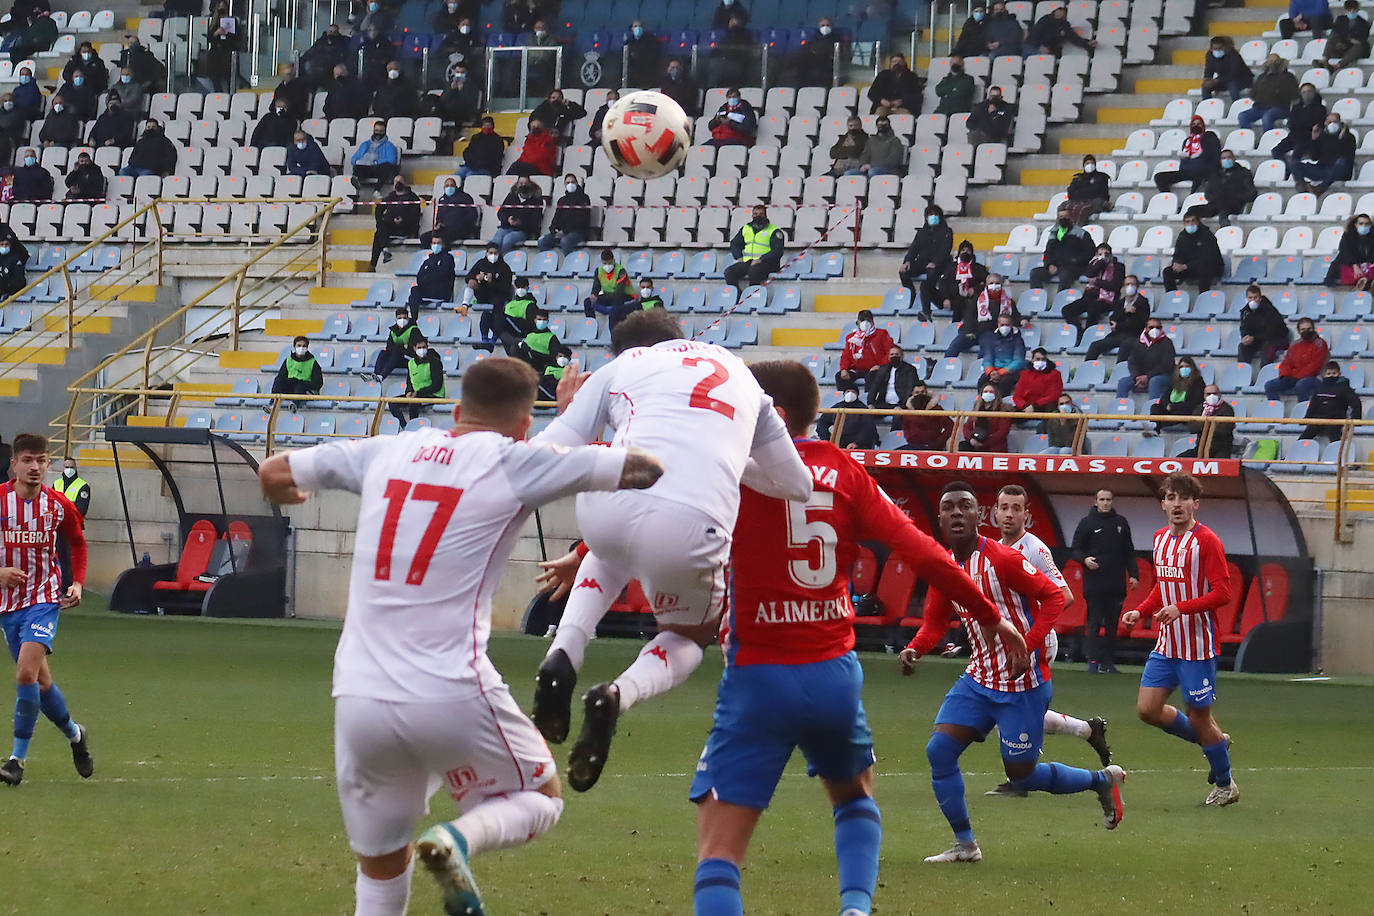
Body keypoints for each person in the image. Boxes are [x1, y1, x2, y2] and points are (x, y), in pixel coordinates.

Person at [256, 357, 664, 916]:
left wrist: (292, 496)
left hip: (359, 695)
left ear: (455, 409)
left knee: (379, 864)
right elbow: (645, 469)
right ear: (524, 424)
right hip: (450, 686)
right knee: (540, 798)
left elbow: (273, 473)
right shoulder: (518, 460)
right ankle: (457, 841)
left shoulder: (387, 449)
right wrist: (577, 422)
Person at [673, 360, 1018, 916]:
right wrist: (988, 613)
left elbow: (651, 518)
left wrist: (585, 554)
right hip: (833, 674)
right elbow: (922, 551)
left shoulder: (730, 469)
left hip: (758, 676)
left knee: (719, 847)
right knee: (855, 797)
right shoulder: (844, 471)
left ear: (768, 413)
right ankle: (856, 909)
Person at [529, 309, 813, 793]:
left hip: (607, 503)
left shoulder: (625, 366)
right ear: (680, 337)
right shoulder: (743, 377)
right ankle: (617, 695)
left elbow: (548, 450)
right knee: (686, 636)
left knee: (606, 546)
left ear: (627, 349)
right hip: (692, 521)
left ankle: (563, 652)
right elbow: (797, 484)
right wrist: (725, 455)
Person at [900, 482, 1126, 863]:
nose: (957, 513)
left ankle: (1101, 781)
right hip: (978, 679)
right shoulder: (942, 565)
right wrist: (915, 648)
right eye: (949, 508)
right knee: (939, 751)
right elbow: (935, 622)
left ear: (978, 517)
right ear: (939, 518)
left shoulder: (1002, 559)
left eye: (965, 507)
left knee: (1021, 774)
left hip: (1023, 685)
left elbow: (1056, 596)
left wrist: (1030, 642)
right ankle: (965, 845)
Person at [985, 484, 1112, 796]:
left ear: (1028, 515)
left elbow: (1064, 596)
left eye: (1017, 508)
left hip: (1035, 641)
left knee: (1012, 710)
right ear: (995, 513)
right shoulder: (996, 548)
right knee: (1018, 712)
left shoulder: (1035, 549)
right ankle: (1086, 730)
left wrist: (1031, 624)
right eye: (1004, 507)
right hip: (1011, 644)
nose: (1010, 514)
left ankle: (1021, 778)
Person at [1120, 472, 1237, 807]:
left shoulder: (1206, 541)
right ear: (1163, 504)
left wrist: (1180, 608)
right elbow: (1162, 586)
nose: (1177, 504)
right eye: (1171, 498)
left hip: (1197, 647)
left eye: (1183, 498)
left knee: (1199, 716)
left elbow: (1223, 592)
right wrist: (1140, 611)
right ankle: (1214, 741)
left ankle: (1226, 785)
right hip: (1167, 644)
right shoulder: (1160, 539)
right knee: (1147, 709)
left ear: (1195, 504)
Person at [0, 433, 94, 787]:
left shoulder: (57, 505)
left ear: (48, 464)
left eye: (41, 461)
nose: (35, 467)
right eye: (28, 460)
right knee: (40, 682)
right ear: (14, 464)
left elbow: (78, 543)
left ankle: (16, 761)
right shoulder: (0, 501)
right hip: (7, 604)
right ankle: (75, 735)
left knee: (25, 674)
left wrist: (78, 583)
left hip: (43, 598)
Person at [1069, 489, 1138, 673]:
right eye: (1102, 499)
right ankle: (1092, 661)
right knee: (1094, 621)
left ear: (1112, 501)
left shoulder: (1120, 523)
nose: (1105, 503)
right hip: (1095, 582)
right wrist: (1084, 560)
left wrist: (1134, 574)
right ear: (1096, 501)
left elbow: (1128, 551)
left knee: (1112, 624)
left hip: (1116, 582)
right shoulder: (1087, 523)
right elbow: (1075, 549)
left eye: (1108, 499)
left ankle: (1108, 662)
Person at [946, 274, 1020, 358]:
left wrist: (1021, 320)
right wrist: (970, 331)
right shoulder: (977, 299)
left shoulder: (1009, 302)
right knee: (955, 344)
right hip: (974, 331)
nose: (994, 285)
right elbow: (969, 315)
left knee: (986, 350)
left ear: (1001, 285)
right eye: (991, 283)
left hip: (991, 333)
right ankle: (944, 365)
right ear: (986, 285)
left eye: (997, 283)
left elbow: (1014, 316)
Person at [1061, 243, 1124, 341]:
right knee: (1066, 310)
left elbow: (1115, 286)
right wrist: (1101, 262)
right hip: (1089, 298)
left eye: (1106, 254)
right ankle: (1079, 330)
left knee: (1093, 308)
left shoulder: (1118, 267)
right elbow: (1090, 274)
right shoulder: (1093, 263)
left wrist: (1098, 282)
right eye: (1100, 254)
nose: (1103, 256)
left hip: (1107, 300)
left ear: (1111, 255)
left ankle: (1087, 335)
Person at [898, 204, 953, 310]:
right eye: (930, 215)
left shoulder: (947, 231)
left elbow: (945, 250)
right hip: (922, 262)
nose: (933, 217)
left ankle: (927, 307)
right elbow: (914, 248)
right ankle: (911, 294)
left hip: (939, 264)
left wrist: (935, 262)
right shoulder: (921, 232)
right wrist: (907, 261)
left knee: (930, 277)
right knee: (903, 272)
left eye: (935, 214)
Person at [1028, 204, 1093, 291]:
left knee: (1065, 275)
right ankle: (1038, 298)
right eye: (1061, 217)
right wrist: (1049, 264)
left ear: (1070, 217)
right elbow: (1047, 252)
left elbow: (1090, 252)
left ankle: (1060, 300)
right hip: (1056, 266)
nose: (1063, 219)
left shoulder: (1081, 233)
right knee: (1035, 273)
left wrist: (1075, 260)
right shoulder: (1054, 233)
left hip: (1073, 267)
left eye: (1066, 216)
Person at [461, 243, 515, 347]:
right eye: (490, 253)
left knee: (493, 312)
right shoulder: (481, 263)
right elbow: (468, 277)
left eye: (495, 253)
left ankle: (493, 339)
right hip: (483, 294)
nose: (493, 255)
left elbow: (505, 288)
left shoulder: (504, 267)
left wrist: (492, 281)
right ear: (486, 253)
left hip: (498, 296)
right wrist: (478, 277)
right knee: (472, 283)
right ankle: (465, 305)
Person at [723, 204, 784, 293]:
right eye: (755, 214)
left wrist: (761, 259)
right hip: (749, 262)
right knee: (729, 272)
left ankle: (753, 296)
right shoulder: (746, 228)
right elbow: (735, 243)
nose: (758, 216)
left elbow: (778, 251)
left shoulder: (774, 231)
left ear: (765, 215)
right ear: (752, 216)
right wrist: (739, 257)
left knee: (754, 271)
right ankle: (738, 295)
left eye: (761, 214)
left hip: (767, 263)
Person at [1265, 317, 1329, 399]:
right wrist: (1285, 375)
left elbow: (1315, 366)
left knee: (1301, 385)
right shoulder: (1295, 344)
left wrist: (1296, 377)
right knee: (1270, 386)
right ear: (1299, 331)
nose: (1306, 331)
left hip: (1314, 378)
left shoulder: (1320, 344)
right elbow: (1287, 362)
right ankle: (1276, 409)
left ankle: (1302, 409)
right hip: (1293, 377)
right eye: (1303, 329)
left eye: (1309, 329)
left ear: (1313, 329)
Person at [388, 334, 446, 425]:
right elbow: (409, 381)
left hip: (433, 395)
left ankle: (413, 428)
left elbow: (437, 385)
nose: (422, 350)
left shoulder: (435, 362)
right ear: (414, 348)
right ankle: (405, 427)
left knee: (414, 402)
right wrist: (409, 392)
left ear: (427, 347)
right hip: (417, 395)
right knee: (392, 402)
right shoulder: (411, 363)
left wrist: (418, 393)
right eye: (419, 347)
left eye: (424, 347)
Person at [515, 307, 572, 399]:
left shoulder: (551, 338)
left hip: (541, 365)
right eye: (539, 319)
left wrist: (532, 352)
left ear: (548, 321)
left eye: (544, 320)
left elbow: (553, 358)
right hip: (528, 363)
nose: (541, 322)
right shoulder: (529, 335)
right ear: (535, 320)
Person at [1189, 149, 1256, 226]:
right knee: (1192, 210)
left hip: (1234, 204)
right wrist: (1216, 197)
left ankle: (1225, 229)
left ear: (1234, 159)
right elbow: (1208, 193)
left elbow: (1252, 193)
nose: (1226, 160)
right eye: (1223, 158)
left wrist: (1235, 196)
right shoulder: (1215, 174)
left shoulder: (1244, 173)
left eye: (1229, 157)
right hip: (1215, 204)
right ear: (1220, 161)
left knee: (1224, 209)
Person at [1154, 115, 1221, 192]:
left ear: (1203, 126)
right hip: (1187, 172)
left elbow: (1215, 158)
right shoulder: (1187, 141)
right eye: (1193, 124)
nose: (1196, 126)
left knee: (1199, 173)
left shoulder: (1210, 138)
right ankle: (1168, 197)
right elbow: (1184, 161)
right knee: (1159, 177)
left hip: (1204, 171)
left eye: (1199, 124)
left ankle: (1191, 197)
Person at [1293, 112, 1356, 194]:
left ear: (1340, 123)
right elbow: (1314, 157)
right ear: (1325, 123)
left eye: (1335, 122)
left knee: (1340, 163)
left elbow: (1347, 157)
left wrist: (1341, 139)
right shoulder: (1322, 136)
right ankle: (1303, 187)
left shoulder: (1349, 137)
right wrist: (1314, 139)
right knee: (1294, 163)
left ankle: (1320, 189)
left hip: (1338, 171)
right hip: (1322, 169)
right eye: (1329, 122)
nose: (1332, 124)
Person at [1162, 212, 1224, 293]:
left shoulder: (1207, 235)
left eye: (1193, 221)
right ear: (1184, 224)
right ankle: (1171, 296)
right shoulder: (1182, 236)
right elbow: (1178, 254)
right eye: (1187, 222)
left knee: (1204, 270)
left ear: (1198, 222)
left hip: (1210, 267)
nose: (1190, 224)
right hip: (1189, 268)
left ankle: (1203, 298)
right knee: (1167, 272)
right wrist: (1176, 263)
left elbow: (1208, 258)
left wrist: (1186, 266)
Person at [1301, 361, 1363, 441]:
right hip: (1318, 420)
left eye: (1334, 374)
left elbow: (1356, 403)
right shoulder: (1319, 388)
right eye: (1329, 374)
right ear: (1324, 375)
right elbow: (1313, 405)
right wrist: (1306, 419)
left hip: (1336, 421)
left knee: (1334, 438)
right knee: (1303, 438)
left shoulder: (1344, 389)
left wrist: (1355, 421)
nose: (1331, 376)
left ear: (1339, 374)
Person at [1115, 318, 1176, 400]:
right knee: (1123, 382)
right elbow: (1132, 362)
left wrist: (1148, 376)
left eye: (1158, 327)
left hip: (1163, 375)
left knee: (1154, 381)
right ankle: (1119, 409)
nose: (1155, 330)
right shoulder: (1139, 342)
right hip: (1141, 375)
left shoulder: (1167, 343)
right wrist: (1137, 376)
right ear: (1146, 329)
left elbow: (1167, 365)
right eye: (1151, 327)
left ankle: (1153, 408)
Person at [367, 177, 421, 271]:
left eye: (400, 181)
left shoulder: (413, 197)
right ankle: (383, 252)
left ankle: (375, 262)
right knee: (380, 228)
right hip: (391, 226)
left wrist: (403, 220)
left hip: (406, 227)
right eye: (395, 181)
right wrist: (382, 220)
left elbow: (415, 215)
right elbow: (378, 210)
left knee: (378, 234)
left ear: (404, 183)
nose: (398, 183)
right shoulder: (390, 197)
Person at [835, 308, 893, 391]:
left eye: (868, 320)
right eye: (862, 320)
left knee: (873, 376)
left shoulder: (882, 334)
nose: (865, 323)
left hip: (874, 369)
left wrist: (880, 365)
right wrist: (844, 369)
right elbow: (846, 355)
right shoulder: (852, 338)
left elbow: (889, 352)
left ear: (872, 322)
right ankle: (850, 397)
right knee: (840, 377)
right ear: (858, 322)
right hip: (857, 369)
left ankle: (869, 400)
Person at [1239, 55, 1298, 133]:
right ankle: (1247, 137)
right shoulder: (1261, 77)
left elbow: (1293, 94)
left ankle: (1267, 138)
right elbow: (1253, 94)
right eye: (1270, 61)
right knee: (1243, 116)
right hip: (1260, 107)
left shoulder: (1288, 76)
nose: (1272, 63)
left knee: (1267, 116)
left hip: (1280, 108)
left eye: (1275, 61)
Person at [865, 343, 919, 429]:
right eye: (892, 354)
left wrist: (902, 406)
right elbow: (874, 387)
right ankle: (873, 438)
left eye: (897, 354)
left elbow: (910, 389)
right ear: (888, 357)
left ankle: (893, 439)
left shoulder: (910, 370)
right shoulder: (883, 369)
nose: (894, 356)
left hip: (901, 404)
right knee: (866, 415)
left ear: (902, 356)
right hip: (884, 404)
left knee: (898, 416)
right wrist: (870, 403)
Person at [1273, 82, 1326, 166]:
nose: (1307, 94)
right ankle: (1287, 169)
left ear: (1314, 93)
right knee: (1276, 151)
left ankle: (1295, 171)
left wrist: (1300, 123)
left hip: (1307, 138)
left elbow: (1315, 125)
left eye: (1309, 91)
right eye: (1304, 92)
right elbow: (1292, 123)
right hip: (1293, 136)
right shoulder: (1296, 108)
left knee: (1296, 154)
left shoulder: (1320, 109)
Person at [364, 307, 420, 383]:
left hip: (410, 359)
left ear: (408, 318)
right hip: (397, 358)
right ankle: (375, 374)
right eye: (399, 318)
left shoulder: (414, 330)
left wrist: (401, 349)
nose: (402, 320)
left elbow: (416, 348)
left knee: (397, 349)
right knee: (383, 352)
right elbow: (389, 347)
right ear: (396, 319)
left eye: (404, 318)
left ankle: (382, 376)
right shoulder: (393, 331)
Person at [935, 239, 987, 323]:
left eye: (968, 250)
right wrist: (945, 298)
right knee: (926, 286)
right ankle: (926, 314)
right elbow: (943, 283)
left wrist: (975, 289)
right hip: (951, 299)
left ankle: (956, 326)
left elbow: (988, 282)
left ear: (972, 253)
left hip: (969, 300)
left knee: (962, 303)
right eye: (963, 250)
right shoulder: (952, 267)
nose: (965, 252)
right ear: (959, 253)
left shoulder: (979, 268)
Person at [1147, 357, 1205, 432]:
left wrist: (1173, 406)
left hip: (1186, 410)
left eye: (1187, 366)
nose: (1184, 369)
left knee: (1181, 413)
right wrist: (1167, 404)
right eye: (1181, 367)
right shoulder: (1173, 380)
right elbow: (1164, 396)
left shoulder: (1198, 382)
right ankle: (1155, 427)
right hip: (1171, 408)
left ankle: (1156, 426)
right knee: (1155, 407)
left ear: (1192, 368)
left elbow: (1194, 402)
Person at [538, 174, 591, 255]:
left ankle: (569, 264)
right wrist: (553, 229)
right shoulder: (562, 200)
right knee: (542, 241)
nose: (570, 184)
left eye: (572, 182)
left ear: (577, 183)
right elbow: (557, 217)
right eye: (568, 182)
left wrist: (565, 231)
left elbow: (582, 220)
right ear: (565, 185)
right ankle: (549, 263)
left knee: (565, 241)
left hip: (578, 232)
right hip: (562, 232)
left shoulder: (584, 198)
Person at [1237, 284, 1289, 365]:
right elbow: (1244, 327)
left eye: (1255, 297)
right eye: (1250, 298)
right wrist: (1245, 336)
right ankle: (1243, 372)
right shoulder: (1245, 312)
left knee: (1267, 347)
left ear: (1260, 298)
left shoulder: (1269, 310)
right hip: (1258, 340)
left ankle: (1264, 373)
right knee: (1242, 346)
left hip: (1277, 338)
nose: (1253, 300)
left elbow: (1272, 331)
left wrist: (1254, 338)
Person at [1179, 384, 1236, 458]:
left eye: (1214, 393)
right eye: (1208, 394)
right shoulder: (1199, 408)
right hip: (1200, 448)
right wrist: (1212, 423)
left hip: (1221, 449)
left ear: (1220, 394)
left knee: (1220, 465)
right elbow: (1192, 427)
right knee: (1180, 459)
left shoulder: (1227, 409)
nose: (1211, 396)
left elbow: (1224, 430)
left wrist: (1203, 423)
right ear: (1204, 396)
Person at [491, 176, 544, 254]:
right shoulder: (511, 196)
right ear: (517, 184)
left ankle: (500, 259)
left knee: (507, 239)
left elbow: (536, 219)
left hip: (523, 230)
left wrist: (521, 222)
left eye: (525, 183)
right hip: (506, 227)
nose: (523, 185)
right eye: (521, 183)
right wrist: (508, 219)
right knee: (495, 241)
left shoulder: (536, 200)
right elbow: (501, 212)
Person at [421, 178, 479, 249]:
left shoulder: (465, 197)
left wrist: (459, 223)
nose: (449, 187)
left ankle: (445, 256)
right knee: (424, 237)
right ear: (444, 188)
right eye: (447, 186)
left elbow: (473, 215)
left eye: (452, 185)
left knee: (443, 238)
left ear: (456, 187)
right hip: (444, 229)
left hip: (460, 229)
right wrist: (438, 223)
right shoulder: (442, 200)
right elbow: (439, 217)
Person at [977, 313, 1026, 396]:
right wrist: (991, 372)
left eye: (1007, 324)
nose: (1004, 327)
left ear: (1011, 325)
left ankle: (1001, 405)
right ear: (998, 325)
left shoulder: (1018, 340)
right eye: (1002, 324)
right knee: (983, 380)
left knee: (1004, 382)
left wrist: (1001, 372)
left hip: (1011, 372)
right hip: (994, 370)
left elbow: (1019, 361)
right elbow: (988, 358)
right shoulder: (991, 339)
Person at [583, 249, 637, 323]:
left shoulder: (621, 271)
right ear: (601, 262)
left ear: (614, 260)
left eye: (610, 263)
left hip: (624, 295)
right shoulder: (598, 270)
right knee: (587, 302)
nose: (607, 265)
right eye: (605, 263)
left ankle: (614, 328)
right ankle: (591, 324)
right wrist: (594, 295)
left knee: (615, 308)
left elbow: (619, 291)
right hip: (608, 296)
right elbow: (596, 286)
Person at [406, 240, 457, 318]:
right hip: (427, 291)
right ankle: (413, 318)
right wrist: (431, 276)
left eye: (438, 243)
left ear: (443, 244)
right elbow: (420, 277)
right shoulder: (428, 260)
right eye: (434, 243)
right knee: (414, 290)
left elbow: (442, 275)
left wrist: (429, 275)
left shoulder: (448, 258)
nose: (436, 245)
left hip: (441, 292)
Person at [960, 383, 1012, 452]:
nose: (988, 393)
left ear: (996, 394)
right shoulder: (976, 408)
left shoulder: (1003, 409)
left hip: (993, 446)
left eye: (991, 392)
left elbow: (1002, 433)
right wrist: (971, 439)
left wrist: (984, 443)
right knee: (962, 446)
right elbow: (967, 427)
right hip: (975, 443)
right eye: (985, 392)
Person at [1326, 212, 1374, 287]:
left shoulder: (1372, 236)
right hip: (1348, 265)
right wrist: (1354, 265)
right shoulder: (1348, 236)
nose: (1364, 226)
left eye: (1367, 224)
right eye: (1361, 224)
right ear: (1356, 225)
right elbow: (1345, 252)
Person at [1025, 4, 1095, 55]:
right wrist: (1040, 46)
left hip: (1044, 50)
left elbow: (1073, 37)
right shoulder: (1045, 19)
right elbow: (1035, 32)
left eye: (1063, 12)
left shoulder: (1064, 26)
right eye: (1059, 10)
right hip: (1031, 46)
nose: (1060, 12)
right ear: (1055, 11)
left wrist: (1086, 44)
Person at [901, 381, 953, 449]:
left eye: (922, 392)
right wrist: (909, 437)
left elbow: (951, 426)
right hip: (912, 446)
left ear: (926, 393)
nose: (920, 394)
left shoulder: (936, 409)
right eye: (917, 392)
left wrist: (939, 442)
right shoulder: (908, 411)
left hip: (932, 447)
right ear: (912, 394)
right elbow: (905, 427)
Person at [350, 121, 401, 189]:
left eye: (381, 131)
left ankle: (377, 191)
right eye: (376, 130)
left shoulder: (389, 145)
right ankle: (356, 180)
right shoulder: (365, 144)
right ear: (373, 131)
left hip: (378, 169)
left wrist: (376, 162)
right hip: (365, 168)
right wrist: (359, 161)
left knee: (386, 166)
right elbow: (353, 159)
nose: (378, 133)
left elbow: (392, 161)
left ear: (385, 132)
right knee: (357, 167)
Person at [493, 276, 537, 354]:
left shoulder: (530, 305)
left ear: (527, 288)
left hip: (521, 330)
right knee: (488, 315)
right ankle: (488, 339)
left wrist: (514, 319)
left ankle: (493, 341)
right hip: (510, 330)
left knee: (501, 317)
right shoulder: (509, 304)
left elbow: (531, 325)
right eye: (518, 287)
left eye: (523, 287)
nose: (520, 289)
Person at [1062, 154, 1109, 226]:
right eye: (1087, 163)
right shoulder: (1078, 178)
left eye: (1092, 163)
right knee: (1062, 207)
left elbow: (1095, 192)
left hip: (1096, 202)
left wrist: (1080, 192)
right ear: (1083, 165)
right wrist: (1086, 190)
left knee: (1082, 209)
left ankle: (1077, 232)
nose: (1090, 165)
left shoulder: (1101, 177)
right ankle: (1059, 230)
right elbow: (1071, 193)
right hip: (1078, 201)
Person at [1011, 348, 1062, 413]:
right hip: (1026, 407)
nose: (1040, 362)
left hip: (1044, 407)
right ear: (1032, 360)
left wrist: (1035, 405)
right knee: (1008, 410)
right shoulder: (1025, 374)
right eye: (1037, 359)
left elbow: (1055, 395)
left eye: (1043, 359)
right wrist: (1024, 406)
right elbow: (1017, 396)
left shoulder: (1055, 374)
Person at [1201, 36, 1251, 101]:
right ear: (1211, 48)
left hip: (1240, 80)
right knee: (1205, 87)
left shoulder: (1233, 54)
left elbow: (1234, 73)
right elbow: (1208, 69)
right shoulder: (1209, 55)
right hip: (1222, 80)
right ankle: (1207, 107)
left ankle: (1235, 106)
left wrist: (1216, 81)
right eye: (1215, 49)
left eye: (1220, 48)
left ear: (1225, 47)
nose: (1218, 51)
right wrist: (1207, 79)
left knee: (1232, 85)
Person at [1322, 1, 1370, 68]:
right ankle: (1324, 60)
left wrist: (1346, 39)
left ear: (1357, 10)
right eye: (1349, 10)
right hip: (1342, 46)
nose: (1351, 12)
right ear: (1346, 10)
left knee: (1359, 46)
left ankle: (1338, 65)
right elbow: (1336, 32)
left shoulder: (1363, 23)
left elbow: (1362, 39)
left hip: (1354, 49)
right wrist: (1346, 40)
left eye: (1354, 10)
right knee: (1333, 37)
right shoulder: (1340, 19)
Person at [439, 66, 481, 133]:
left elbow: (470, 103)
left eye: (462, 72)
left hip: (464, 113)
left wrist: (461, 90)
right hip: (448, 113)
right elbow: (443, 100)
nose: (459, 74)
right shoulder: (450, 84)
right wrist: (452, 90)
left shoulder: (471, 86)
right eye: (458, 72)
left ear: (466, 73)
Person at [624, 21, 661, 87]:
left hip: (647, 70)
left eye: (639, 26)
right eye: (635, 26)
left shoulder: (650, 39)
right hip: (634, 72)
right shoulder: (629, 41)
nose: (637, 28)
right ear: (632, 29)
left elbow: (653, 55)